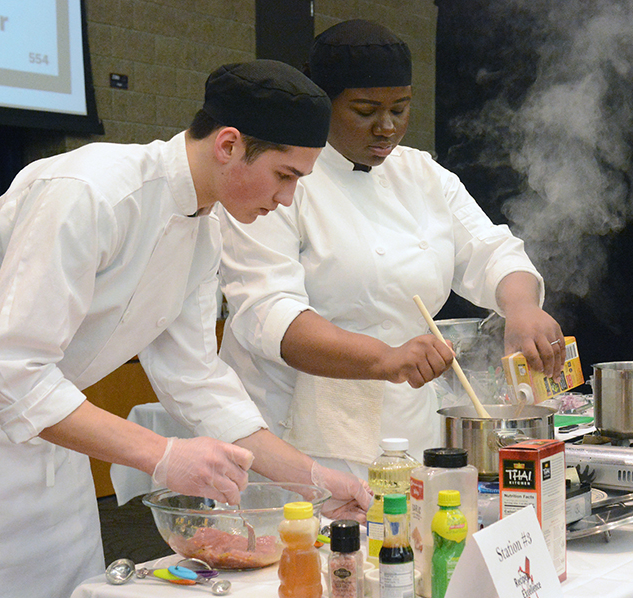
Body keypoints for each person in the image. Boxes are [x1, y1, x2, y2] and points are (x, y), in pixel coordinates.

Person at [0, 60, 371, 598]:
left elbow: (194, 377)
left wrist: (312, 479)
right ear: (228, 145)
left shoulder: (203, 230)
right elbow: (5, 372)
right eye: (285, 176)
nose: (286, 199)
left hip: (54, 444)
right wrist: (162, 455)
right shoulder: (89, 192)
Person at [217, 20, 566, 479]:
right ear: (325, 104)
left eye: (400, 109)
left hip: (405, 422)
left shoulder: (422, 175)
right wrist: (384, 357)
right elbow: (270, 314)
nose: (386, 127)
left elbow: (492, 249)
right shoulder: (280, 177)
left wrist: (522, 309)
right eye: (364, 110)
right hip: (290, 432)